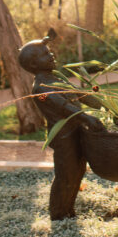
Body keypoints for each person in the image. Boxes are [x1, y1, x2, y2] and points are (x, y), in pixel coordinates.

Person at [19, 35, 105, 219]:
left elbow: (77, 96)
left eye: (49, 51)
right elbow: (64, 107)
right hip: (64, 136)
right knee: (66, 174)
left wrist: (101, 104)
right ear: (33, 66)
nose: (51, 55)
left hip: (76, 132)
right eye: (44, 54)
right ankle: (58, 212)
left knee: (78, 171)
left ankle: (68, 209)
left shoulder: (55, 78)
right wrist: (87, 119)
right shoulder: (40, 89)